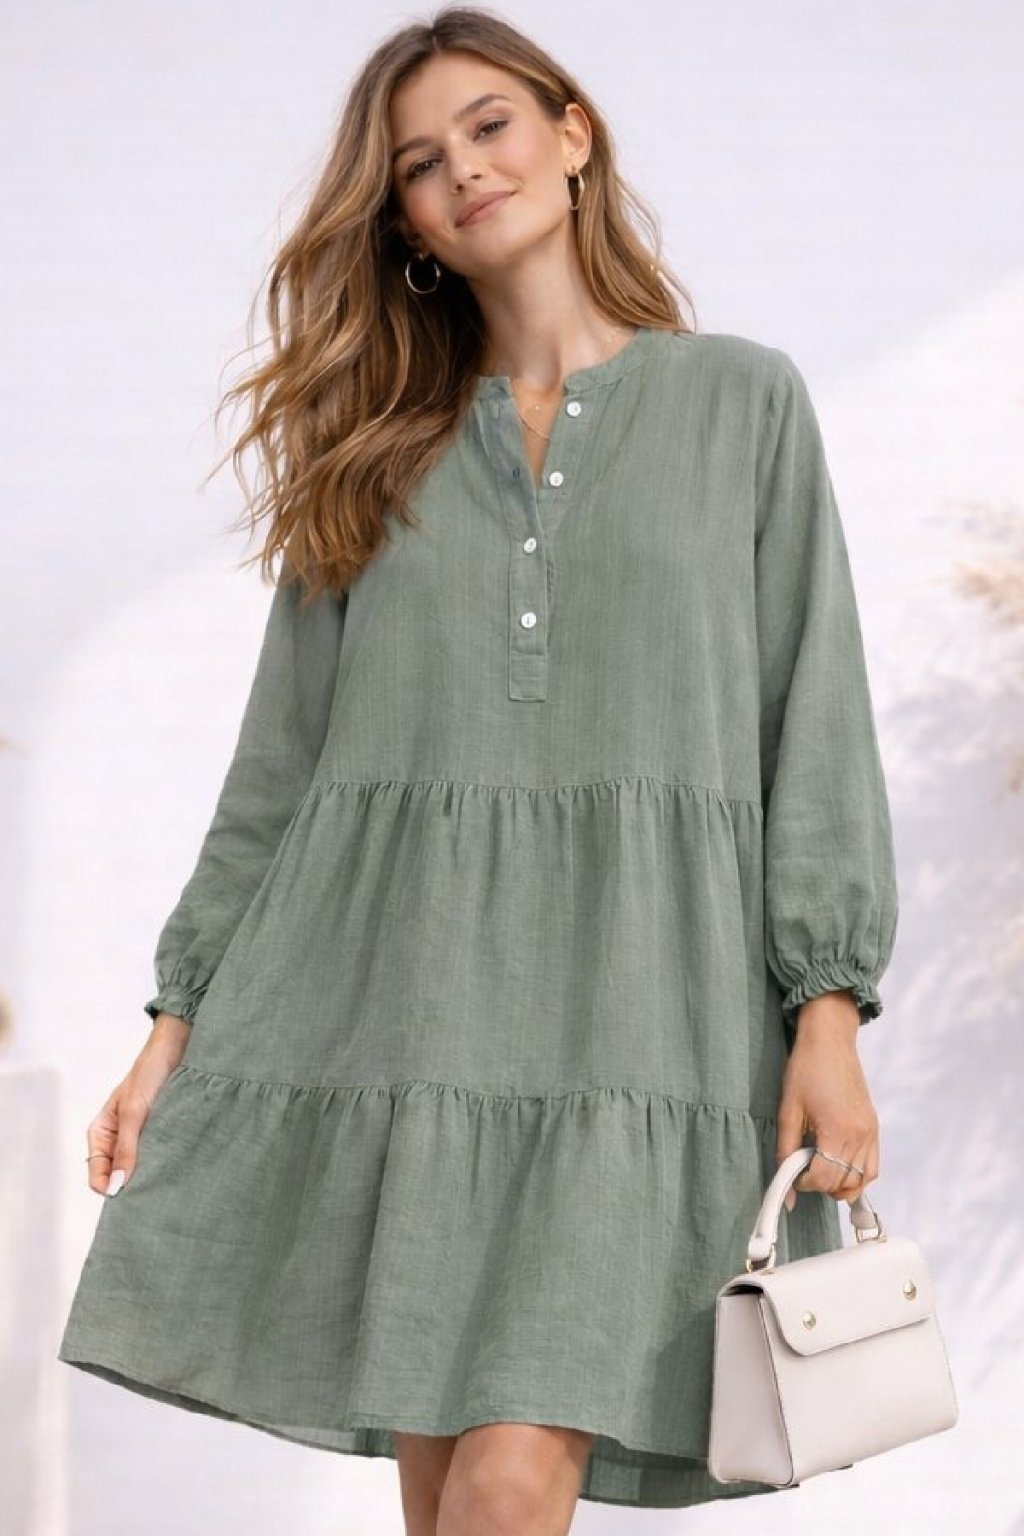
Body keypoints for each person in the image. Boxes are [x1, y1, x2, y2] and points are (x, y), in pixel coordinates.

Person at [57, 8, 899, 1533]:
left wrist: (826, 1006)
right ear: (406, 223)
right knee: (452, 1494)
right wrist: (176, 1021)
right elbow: (281, 770)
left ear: (572, 135)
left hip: (650, 1024)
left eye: (491, 125)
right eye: (420, 163)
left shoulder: (743, 401)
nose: (464, 170)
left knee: (511, 1483)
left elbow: (813, 715)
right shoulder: (371, 448)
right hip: (414, 1014)